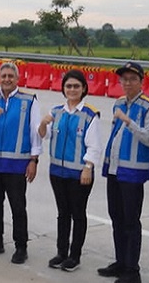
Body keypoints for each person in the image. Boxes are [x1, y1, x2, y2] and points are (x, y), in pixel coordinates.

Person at [99, 61, 149, 283]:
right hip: (115, 169)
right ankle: (121, 261)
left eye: (132, 79)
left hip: (133, 172)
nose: (127, 83)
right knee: (116, 217)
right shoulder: (119, 102)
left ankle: (133, 269)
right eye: (124, 79)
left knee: (130, 221)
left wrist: (129, 121)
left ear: (141, 81)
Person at [38, 69, 102, 272]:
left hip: (79, 174)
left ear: (84, 88)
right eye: (68, 86)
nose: (72, 89)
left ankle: (75, 256)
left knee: (78, 213)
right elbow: (44, 135)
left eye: (76, 86)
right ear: (63, 89)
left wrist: (88, 167)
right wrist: (42, 123)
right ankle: (61, 252)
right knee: (62, 213)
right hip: (57, 171)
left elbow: (94, 146)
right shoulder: (57, 112)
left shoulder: (90, 114)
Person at [0, 62, 42, 264]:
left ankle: (21, 246)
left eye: (10, 76)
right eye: (3, 76)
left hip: (16, 166)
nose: (7, 79)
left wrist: (34, 160)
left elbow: (35, 133)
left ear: (17, 78)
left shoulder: (29, 101)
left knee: (18, 207)